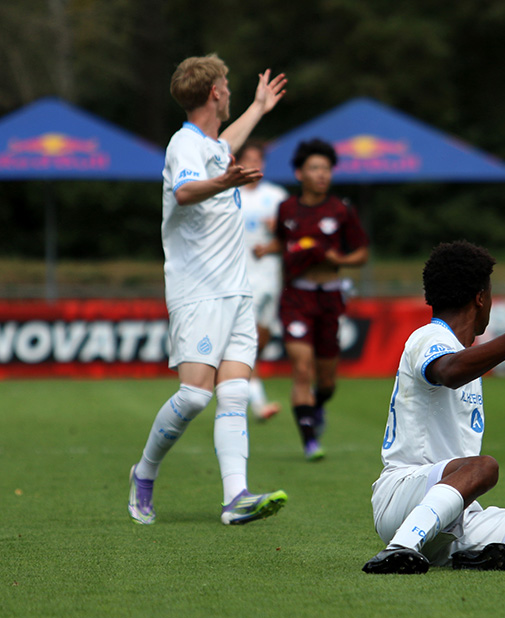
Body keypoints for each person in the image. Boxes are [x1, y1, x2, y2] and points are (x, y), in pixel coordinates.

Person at [362, 241, 505, 574]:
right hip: (403, 494)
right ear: (481, 297)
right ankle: (400, 547)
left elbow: (458, 366)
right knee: (484, 467)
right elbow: (448, 371)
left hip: (454, 516)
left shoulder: (457, 349)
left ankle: (498, 556)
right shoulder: (429, 337)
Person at [128, 54, 289, 526]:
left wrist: (259, 108)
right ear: (215, 92)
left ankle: (235, 496)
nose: (231, 89)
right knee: (196, 396)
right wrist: (223, 182)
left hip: (237, 292)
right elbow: (183, 191)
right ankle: (144, 471)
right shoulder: (184, 144)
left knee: (235, 392)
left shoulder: (211, 144)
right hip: (198, 291)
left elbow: (225, 146)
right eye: (227, 83)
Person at [253, 139, 369, 461]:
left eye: (327, 169)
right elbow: (284, 243)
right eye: (315, 168)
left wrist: (338, 260)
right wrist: (268, 249)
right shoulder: (287, 208)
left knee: (327, 380)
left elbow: (362, 252)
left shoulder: (341, 209)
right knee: (301, 369)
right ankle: (309, 441)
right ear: (299, 173)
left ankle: (316, 407)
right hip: (296, 296)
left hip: (331, 296)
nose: (322, 174)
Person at [238, 140, 289, 422]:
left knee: (260, 341)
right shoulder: (230, 195)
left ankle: (236, 379)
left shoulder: (277, 196)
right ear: (239, 162)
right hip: (241, 279)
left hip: (271, 278)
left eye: (260, 159)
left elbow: (294, 240)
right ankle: (257, 401)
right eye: (250, 159)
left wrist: (279, 234)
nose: (255, 164)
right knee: (247, 342)